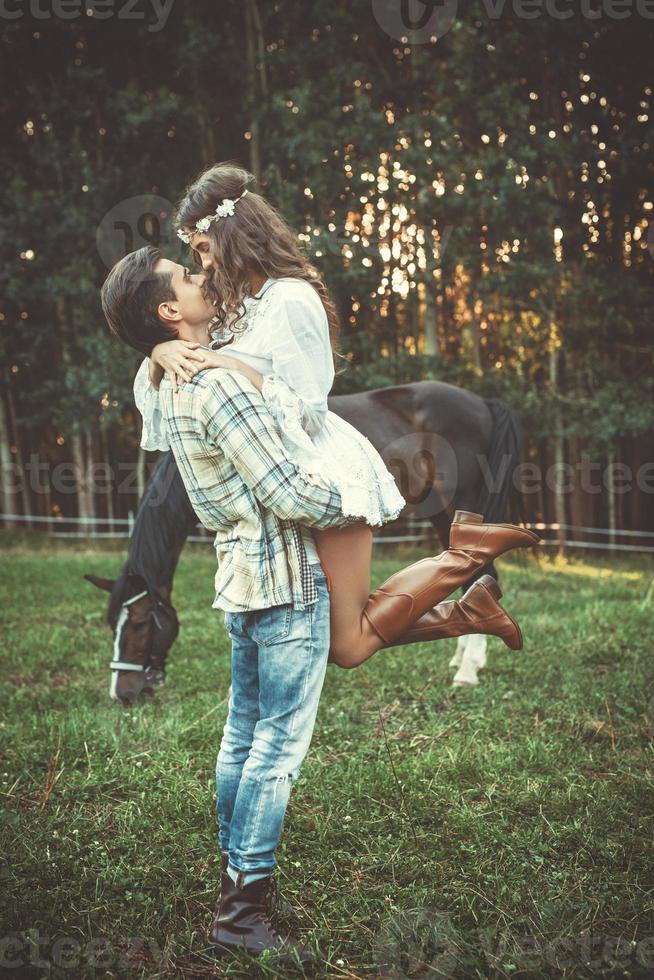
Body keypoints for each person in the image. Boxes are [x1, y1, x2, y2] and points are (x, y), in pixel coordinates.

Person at [101, 243, 538, 964]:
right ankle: (241, 913)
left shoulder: (177, 384)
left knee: (243, 739)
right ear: (169, 311)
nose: (203, 273)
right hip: (287, 581)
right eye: (187, 274)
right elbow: (290, 493)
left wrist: (157, 357)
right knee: (275, 749)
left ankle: (235, 880)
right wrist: (366, 498)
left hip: (241, 584)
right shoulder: (220, 388)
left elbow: (166, 406)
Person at [134, 162, 537, 669]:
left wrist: (229, 363)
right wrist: (157, 354)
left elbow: (306, 406)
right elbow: (181, 376)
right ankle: (472, 607)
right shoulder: (235, 304)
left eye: (200, 249)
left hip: (323, 472)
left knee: (344, 646)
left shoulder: (290, 299)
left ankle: (465, 556)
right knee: (342, 639)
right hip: (285, 481)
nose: (201, 264)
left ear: (228, 236)